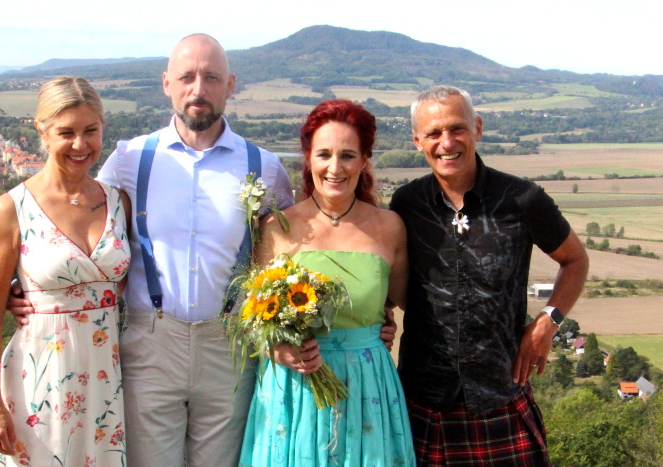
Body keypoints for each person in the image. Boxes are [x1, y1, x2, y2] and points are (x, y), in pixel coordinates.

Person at [9, 34, 294, 466]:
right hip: (149, 343)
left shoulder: (265, 167)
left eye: (211, 77)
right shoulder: (130, 158)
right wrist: (22, 285)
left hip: (231, 347)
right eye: (187, 77)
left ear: (231, 85)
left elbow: (293, 252)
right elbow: (79, 218)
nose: (198, 89)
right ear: (166, 83)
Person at [391, 85, 589, 466]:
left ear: (477, 128)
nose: (446, 142)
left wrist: (548, 322)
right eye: (433, 133)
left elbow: (576, 260)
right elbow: (389, 278)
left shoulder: (522, 199)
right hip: (423, 401)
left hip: (501, 394)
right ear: (417, 141)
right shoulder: (406, 204)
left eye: (457, 128)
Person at [239, 99, 416, 466]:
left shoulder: (390, 227)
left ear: (365, 160)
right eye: (324, 154)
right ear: (308, 159)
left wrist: (382, 322)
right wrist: (276, 351)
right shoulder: (276, 227)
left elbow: (400, 300)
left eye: (348, 155)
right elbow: (251, 317)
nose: (335, 168)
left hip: (368, 385)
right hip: (295, 388)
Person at [0, 76, 131, 466]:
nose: (80, 144)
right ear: (42, 131)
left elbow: (126, 283)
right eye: (66, 132)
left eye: (90, 131)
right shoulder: (11, 209)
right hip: (38, 379)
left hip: (104, 379)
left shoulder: (118, 202)